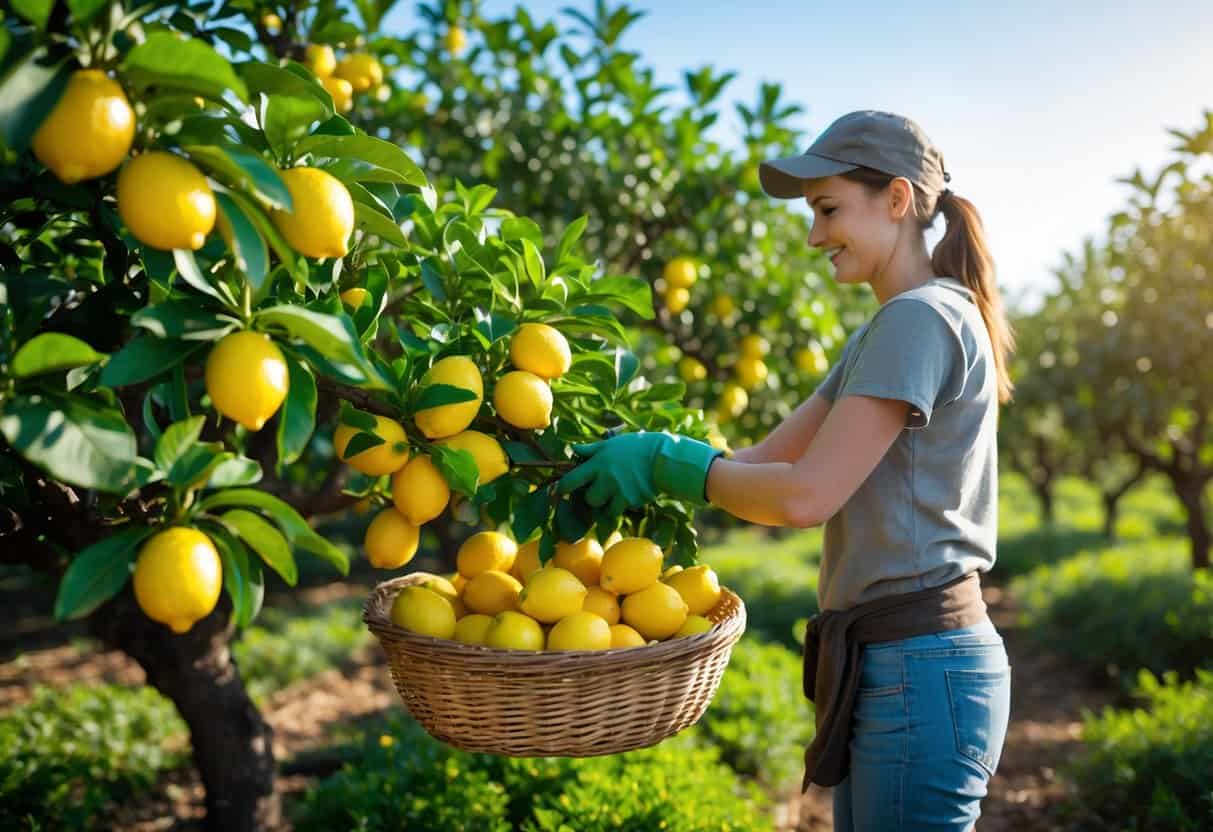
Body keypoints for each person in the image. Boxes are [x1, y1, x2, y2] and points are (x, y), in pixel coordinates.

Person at [556, 109, 1014, 831]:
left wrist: (669, 464)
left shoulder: (919, 319)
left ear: (896, 200)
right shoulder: (888, 327)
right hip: (896, 662)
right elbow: (760, 465)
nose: (812, 236)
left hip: (921, 669)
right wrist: (638, 454)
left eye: (828, 209)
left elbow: (804, 496)